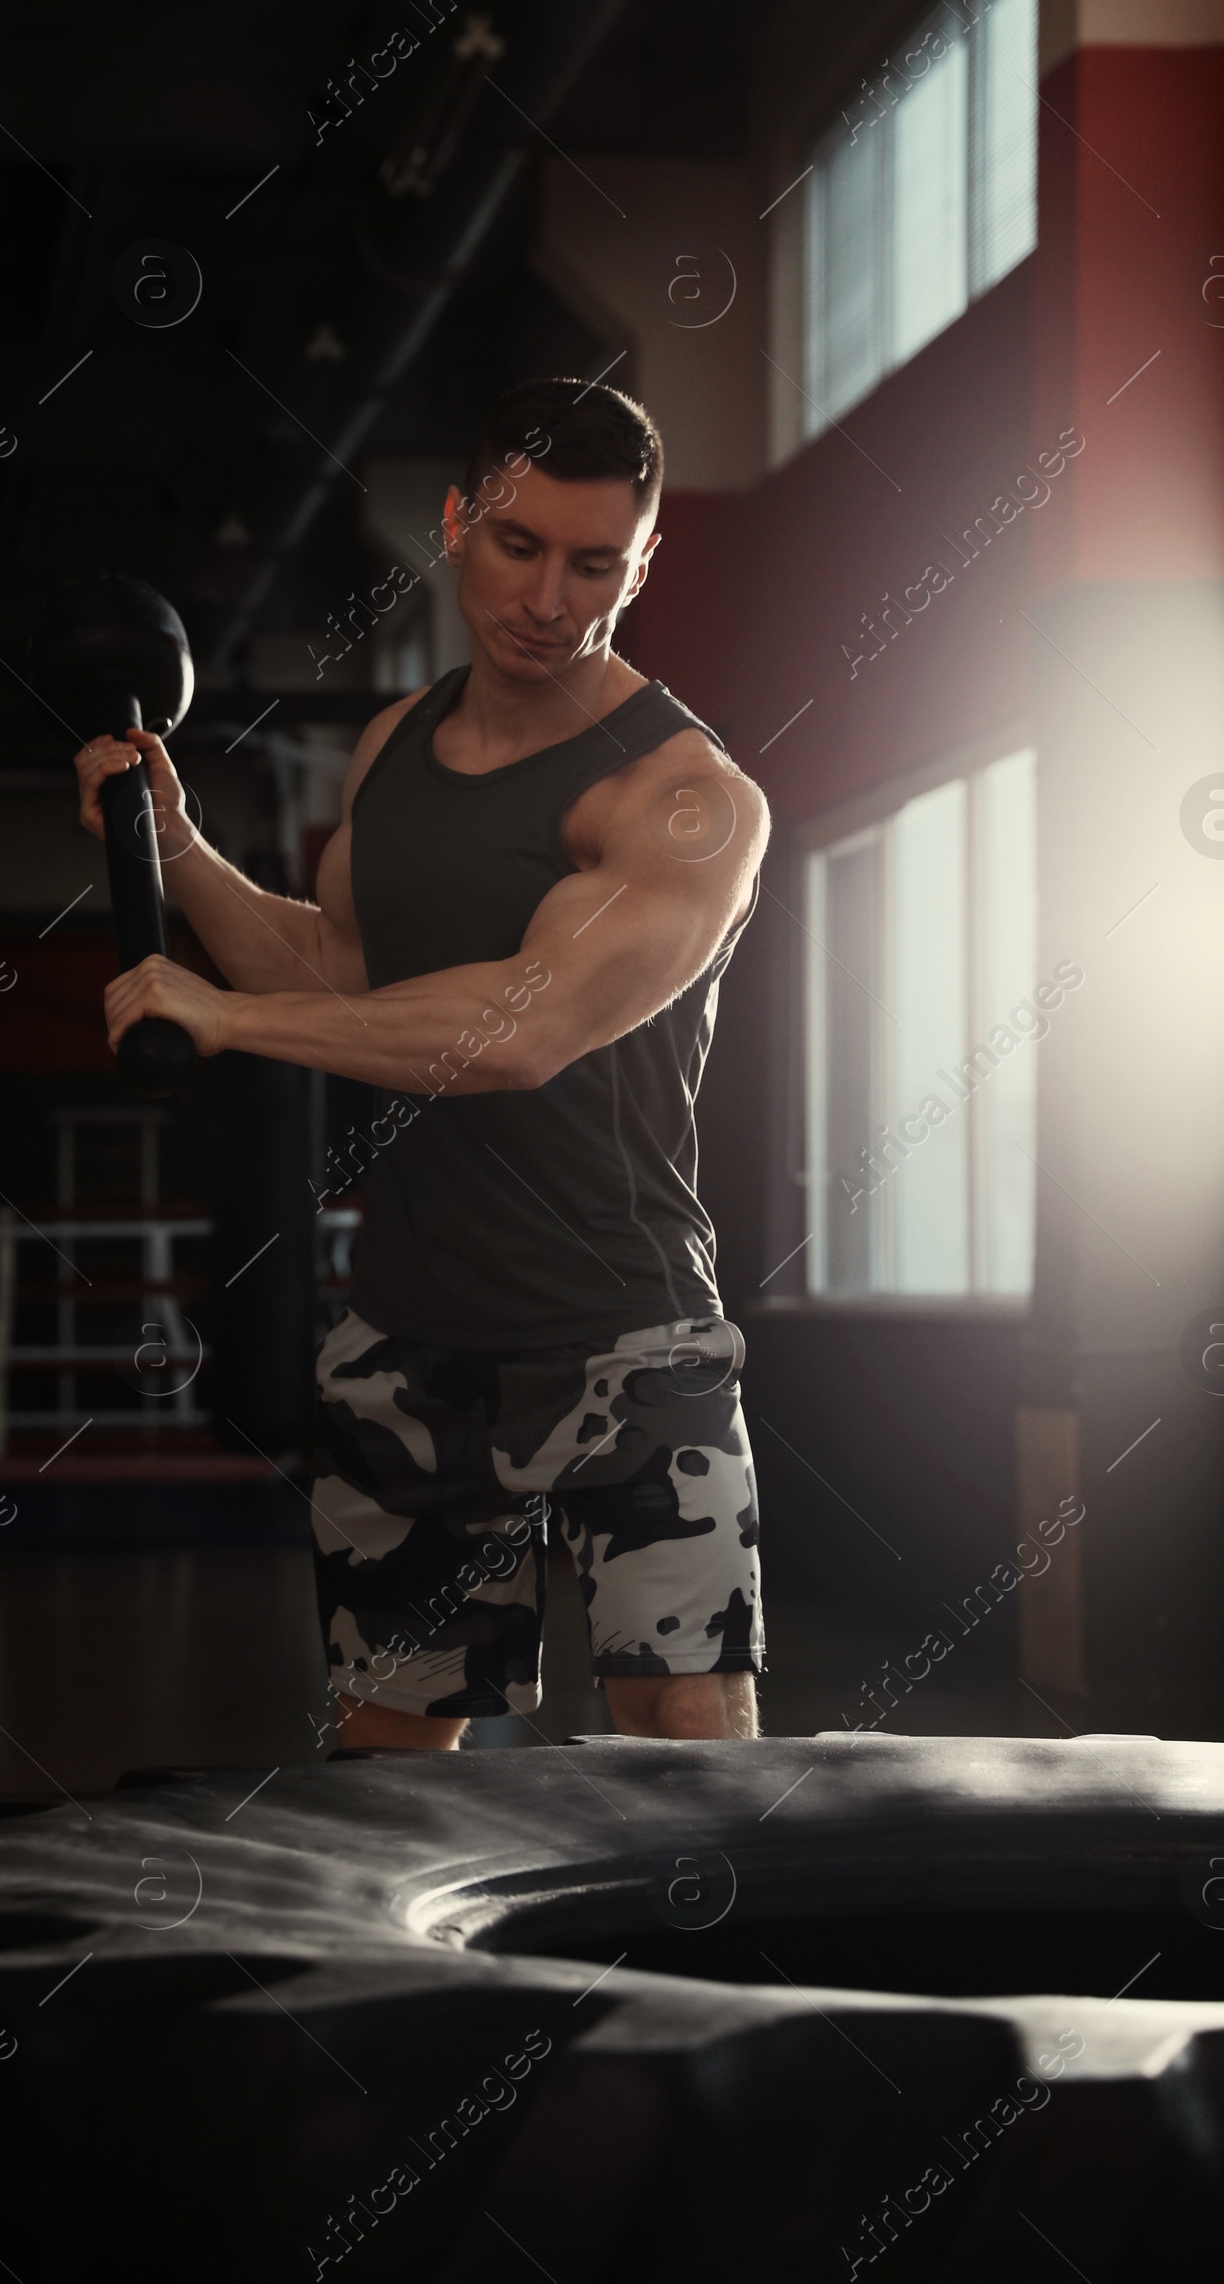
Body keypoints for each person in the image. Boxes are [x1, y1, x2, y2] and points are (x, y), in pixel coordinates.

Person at [74, 377, 769, 1750]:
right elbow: (340, 973)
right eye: (518, 548)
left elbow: (517, 1029)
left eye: (595, 567)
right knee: (389, 1775)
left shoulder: (687, 799)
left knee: (689, 1753)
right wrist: (176, 850)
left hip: (626, 1340)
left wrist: (224, 1017)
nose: (550, 601)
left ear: (645, 563)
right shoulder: (393, 749)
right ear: (454, 524)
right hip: (410, 1340)